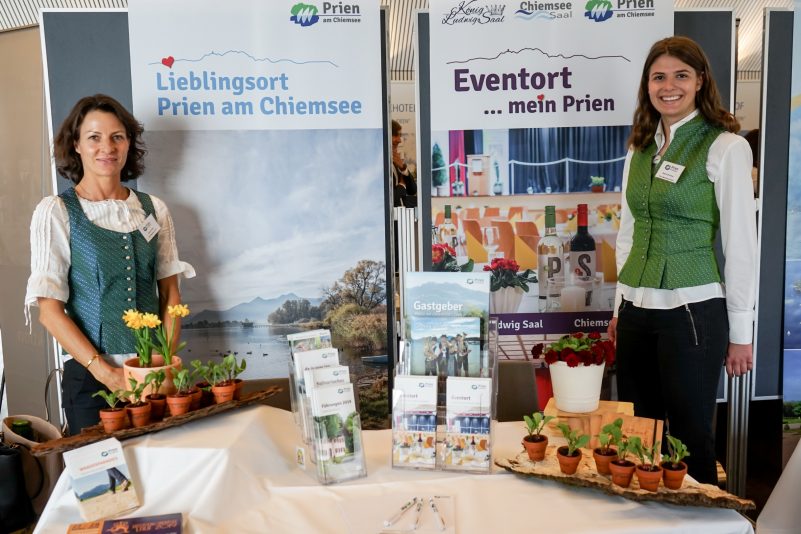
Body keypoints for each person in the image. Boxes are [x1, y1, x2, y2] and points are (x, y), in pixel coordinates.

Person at [606, 37, 757, 485]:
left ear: (700, 81)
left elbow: (741, 245)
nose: (668, 86)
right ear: (647, 86)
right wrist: (619, 307)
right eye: (659, 77)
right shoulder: (638, 150)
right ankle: (650, 515)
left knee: (689, 437)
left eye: (681, 75)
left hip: (692, 311)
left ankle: (705, 516)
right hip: (637, 311)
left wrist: (741, 334)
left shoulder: (726, 147)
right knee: (640, 433)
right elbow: (628, 233)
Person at [25, 94, 195, 434]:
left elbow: (171, 296)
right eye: (94, 137)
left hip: (150, 374)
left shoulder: (154, 209)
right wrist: (108, 374)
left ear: (129, 143)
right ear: (76, 145)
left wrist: (162, 365)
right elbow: (49, 311)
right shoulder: (56, 211)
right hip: (91, 379)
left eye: (117, 136)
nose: (108, 147)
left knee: (158, 462)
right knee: (104, 468)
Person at [391, 120, 417, 208]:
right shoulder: (376, 165)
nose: (399, 140)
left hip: (401, 215)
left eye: (400, 136)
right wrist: (402, 186)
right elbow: (388, 199)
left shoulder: (395, 160)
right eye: (395, 135)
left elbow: (412, 190)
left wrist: (403, 168)